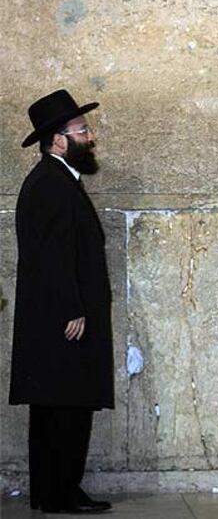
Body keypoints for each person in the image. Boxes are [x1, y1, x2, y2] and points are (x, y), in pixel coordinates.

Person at [9, 89, 114, 514]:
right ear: (58, 140)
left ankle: (52, 492)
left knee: (57, 407)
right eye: (82, 131)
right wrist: (72, 306)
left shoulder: (56, 181)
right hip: (64, 320)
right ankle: (62, 492)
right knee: (65, 407)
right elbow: (51, 255)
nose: (90, 137)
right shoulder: (51, 185)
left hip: (58, 319)